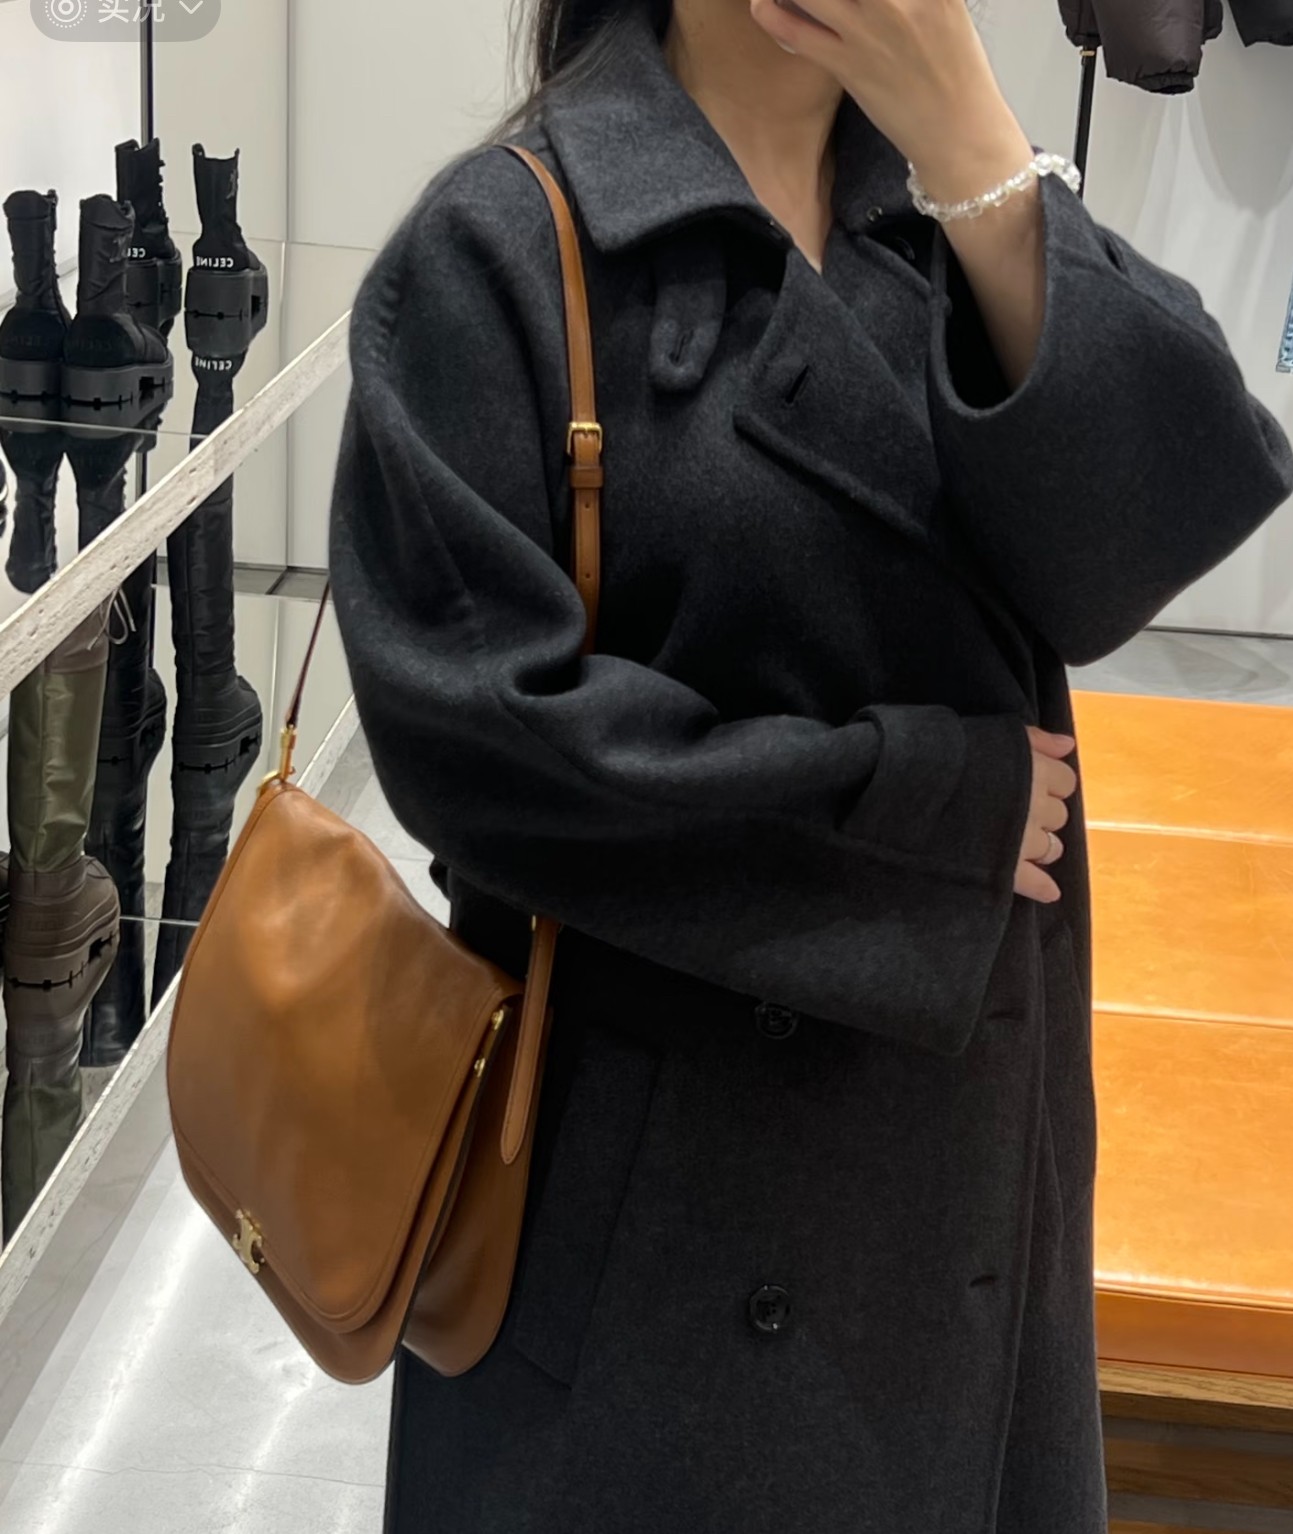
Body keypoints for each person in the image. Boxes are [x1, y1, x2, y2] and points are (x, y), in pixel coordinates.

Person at [328, 1, 1293, 1529]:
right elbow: (478, 738)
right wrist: (922, 808)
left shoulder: (940, 221)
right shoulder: (505, 248)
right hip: (658, 1236)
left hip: (971, 1170)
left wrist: (974, 140)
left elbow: (1144, 533)